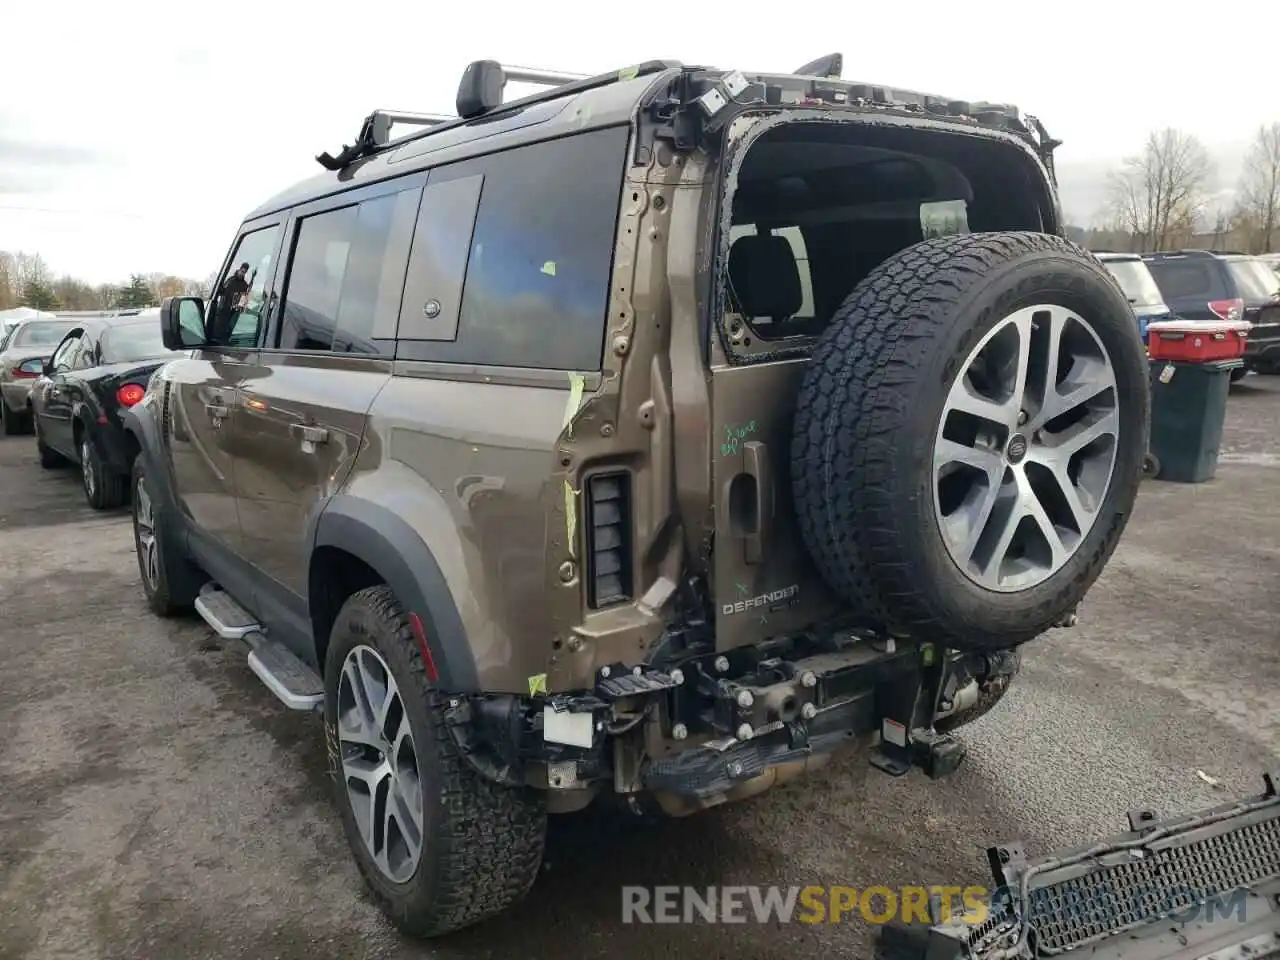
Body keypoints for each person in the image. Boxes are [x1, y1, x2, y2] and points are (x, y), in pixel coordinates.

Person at [210, 262, 251, 343]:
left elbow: (245, 300)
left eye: (244, 272)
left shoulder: (245, 285)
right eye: (242, 271)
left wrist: (241, 304)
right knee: (218, 333)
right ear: (239, 269)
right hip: (223, 311)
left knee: (228, 333)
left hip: (234, 313)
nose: (242, 273)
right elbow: (221, 292)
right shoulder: (230, 280)